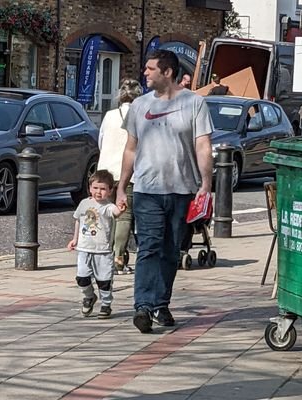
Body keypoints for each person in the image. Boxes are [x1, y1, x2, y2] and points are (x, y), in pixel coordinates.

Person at [116, 49, 213, 333]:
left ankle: (161, 303)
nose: (144, 73)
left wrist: (206, 184)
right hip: (147, 190)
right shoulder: (139, 106)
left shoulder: (194, 104)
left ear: (167, 72)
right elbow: (130, 149)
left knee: (172, 251)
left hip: (182, 190)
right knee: (149, 247)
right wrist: (122, 186)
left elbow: (203, 145)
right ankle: (143, 307)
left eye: (150, 69)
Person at [97, 78, 143, 275]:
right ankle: (118, 257)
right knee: (124, 216)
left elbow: (101, 141)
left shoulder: (109, 115)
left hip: (105, 172)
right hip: (128, 173)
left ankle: (103, 256)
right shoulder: (141, 117)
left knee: (107, 215)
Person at [68, 169, 126, 319]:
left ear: (110, 190)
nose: (98, 192)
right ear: (89, 188)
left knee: (104, 280)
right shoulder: (84, 203)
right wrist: (75, 239)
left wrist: (121, 208)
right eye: (95, 188)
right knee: (82, 277)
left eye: (103, 189)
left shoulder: (107, 206)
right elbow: (78, 220)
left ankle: (106, 304)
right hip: (84, 248)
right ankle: (89, 297)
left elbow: (116, 212)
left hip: (103, 250)